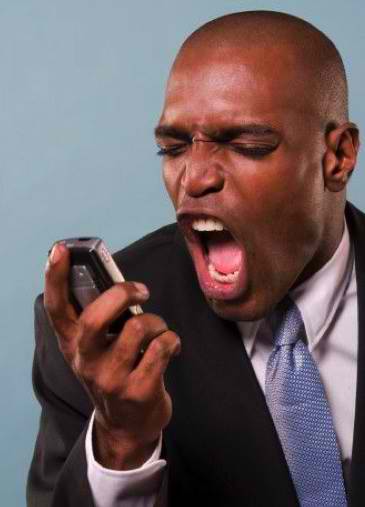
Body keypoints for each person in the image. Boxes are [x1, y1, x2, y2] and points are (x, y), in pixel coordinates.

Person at [27, 10, 363, 507]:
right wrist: (122, 445)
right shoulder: (96, 344)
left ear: (336, 158)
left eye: (247, 144)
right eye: (174, 147)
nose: (195, 178)